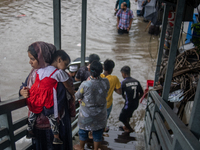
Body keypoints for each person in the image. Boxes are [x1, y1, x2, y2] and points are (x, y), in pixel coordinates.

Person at [19, 42, 73, 150]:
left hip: (57, 124)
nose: (30, 62)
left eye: (33, 59)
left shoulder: (60, 74)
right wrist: (22, 91)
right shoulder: (33, 73)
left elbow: (64, 96)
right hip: (40, 126)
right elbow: (24, 86)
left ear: (42, 58)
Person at [74, 61, 109, 150]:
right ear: (101, 70)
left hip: (86, 114)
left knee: (83, 130)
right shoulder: (105, 81)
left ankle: (81, 147)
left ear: (89, 70)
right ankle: (96, 148)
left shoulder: (85, 84)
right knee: (98, 131)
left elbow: (78, 96)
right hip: (100, 114)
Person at [119, 66, 144, 133]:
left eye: (122, 74)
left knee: (121, 118)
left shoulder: (123, 82)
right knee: (128, 115)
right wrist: (136, 98)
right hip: (135, 104)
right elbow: (142, 93)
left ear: (123, 73)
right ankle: (126, 126)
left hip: (128, 104)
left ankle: (130, 129)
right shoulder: (136, 81)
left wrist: (126, 98)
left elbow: (121, 93)